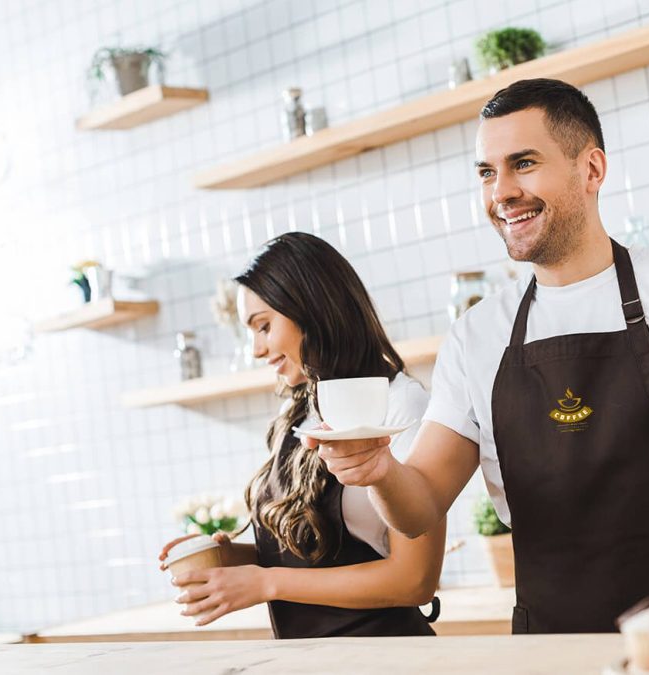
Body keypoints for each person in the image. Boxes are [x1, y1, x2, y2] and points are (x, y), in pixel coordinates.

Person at [306, 78, 649, 634]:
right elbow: (419, 509)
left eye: (524, 163)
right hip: (545, 650)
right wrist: (379, 471)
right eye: (488, 172)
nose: (502, 192)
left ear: (591, 170)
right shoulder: (476, 336)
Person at [158, 232, 446, 638]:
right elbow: (307, 556)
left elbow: (414, 579)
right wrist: (226, 556)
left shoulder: (402, 405)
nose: (257, 349)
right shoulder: (298, 411)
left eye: (263, 326)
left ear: (312, 310)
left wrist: (265, 582)